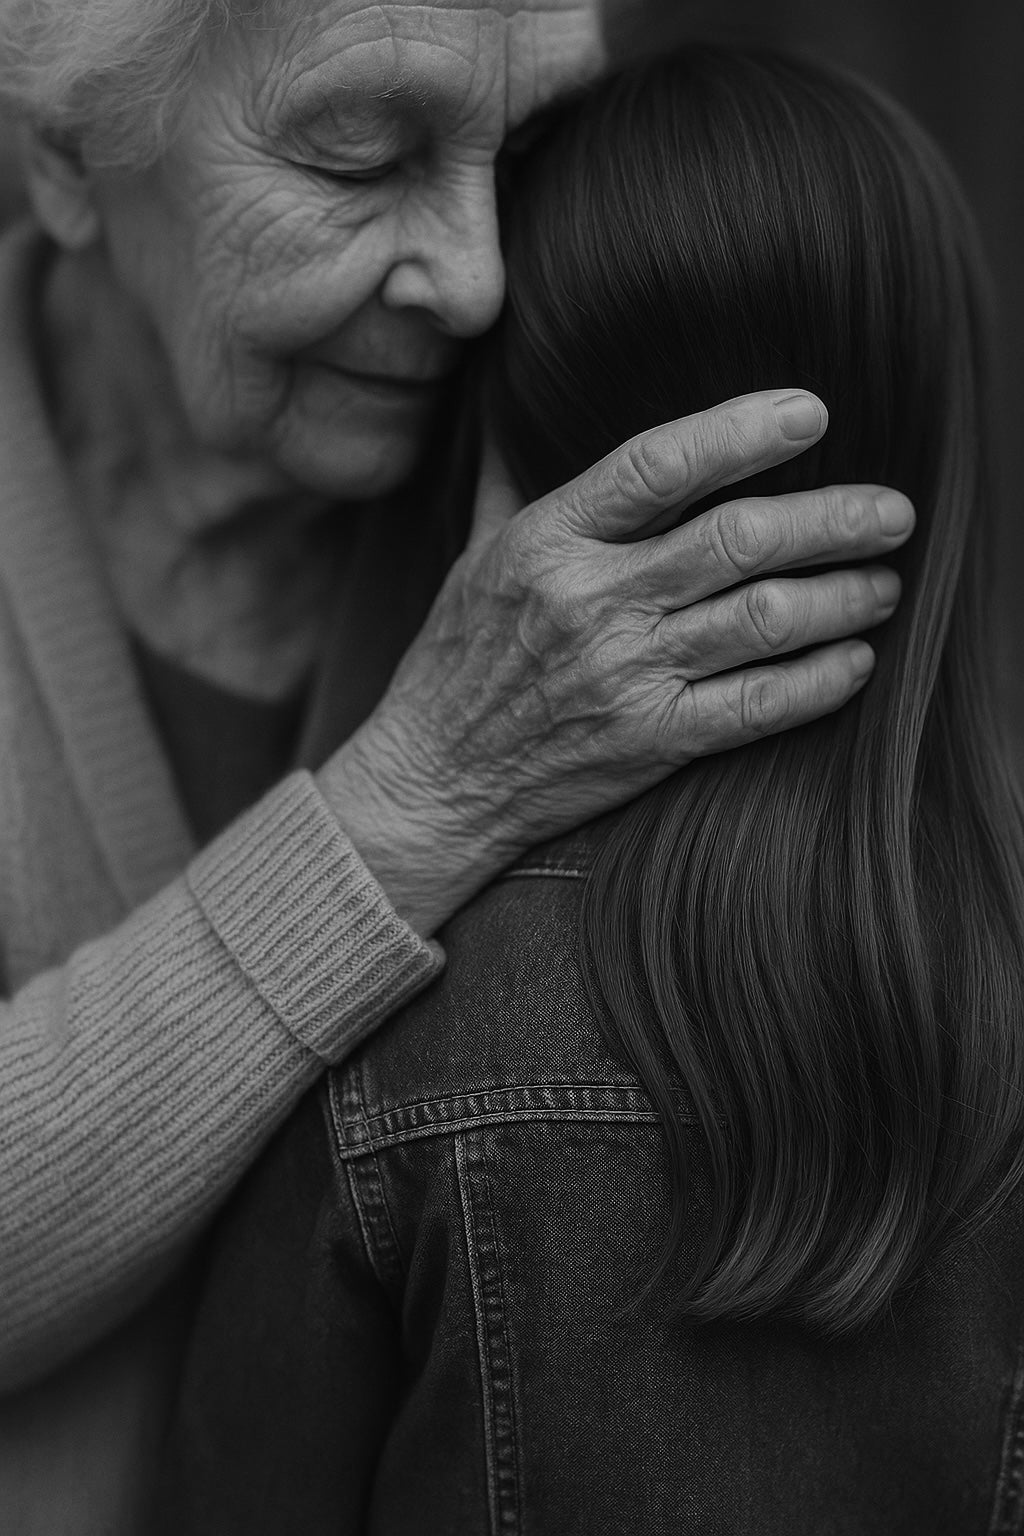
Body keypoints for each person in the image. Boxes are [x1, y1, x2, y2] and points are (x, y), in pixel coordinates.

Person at [0, 0, 913, 1527]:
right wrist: (416, 795)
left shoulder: (590, 514)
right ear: (67, 156)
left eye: (534, 144)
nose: (481, 276)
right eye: (360, 159)